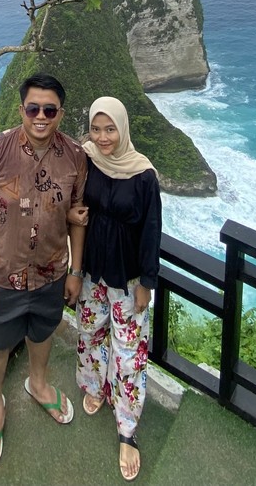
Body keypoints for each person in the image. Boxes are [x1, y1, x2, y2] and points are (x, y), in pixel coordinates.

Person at [0, 72, 88, 466]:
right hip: (1, 276)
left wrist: (75, 272)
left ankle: (38, 383)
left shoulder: (75, 156)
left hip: (52, 273)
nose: (40, 116)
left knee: (43, 333)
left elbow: (78, 217)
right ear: (21, 109)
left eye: (49, 110)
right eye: (33, 108)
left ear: (60, 114)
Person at [68, 96, 162, 482]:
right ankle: (93, 385)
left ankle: (127, 428)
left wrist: (147, 282)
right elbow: (72, 198)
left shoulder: (143, 175)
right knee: (89, 331)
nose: (103, 137)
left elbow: (151, 231)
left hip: (128, 277)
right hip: (92, 269)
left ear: (122, 128)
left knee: (129, 353)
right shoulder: (86, 158)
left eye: (110, 129)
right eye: (96, 129)